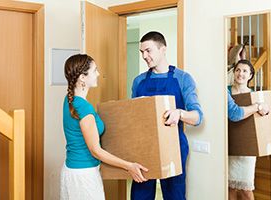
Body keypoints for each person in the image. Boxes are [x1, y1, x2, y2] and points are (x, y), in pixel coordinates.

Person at [60, 54, 148, 200]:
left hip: (71, 171)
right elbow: (96, 151)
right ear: (82, 77)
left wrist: (137, 104)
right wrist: (129, 166)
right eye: (95, 70)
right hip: (84, 176)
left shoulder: (69, 101)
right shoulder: (84, 108)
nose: (98, 74)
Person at [130, 31, 203, 200]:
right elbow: (132, 117)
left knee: (174, 195)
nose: (144, 56)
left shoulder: (183, 78)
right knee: (140, 195)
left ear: (163, 49)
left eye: (148, 51)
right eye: (142, 52)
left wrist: (179, 113)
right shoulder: (138, 81)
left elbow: (198, 117)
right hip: (144, 148)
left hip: (174, 147)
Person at [227, 59, 269, 200]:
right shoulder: (226, 91)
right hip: (229, 144)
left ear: (250, 75)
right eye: (238, 70)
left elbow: (265, 115)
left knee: (246, 189)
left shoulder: (255, 96)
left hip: (247, 147)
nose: (240, 73)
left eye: (245, 71)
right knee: (230, 187)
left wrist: (264, 109)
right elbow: (234, 113)